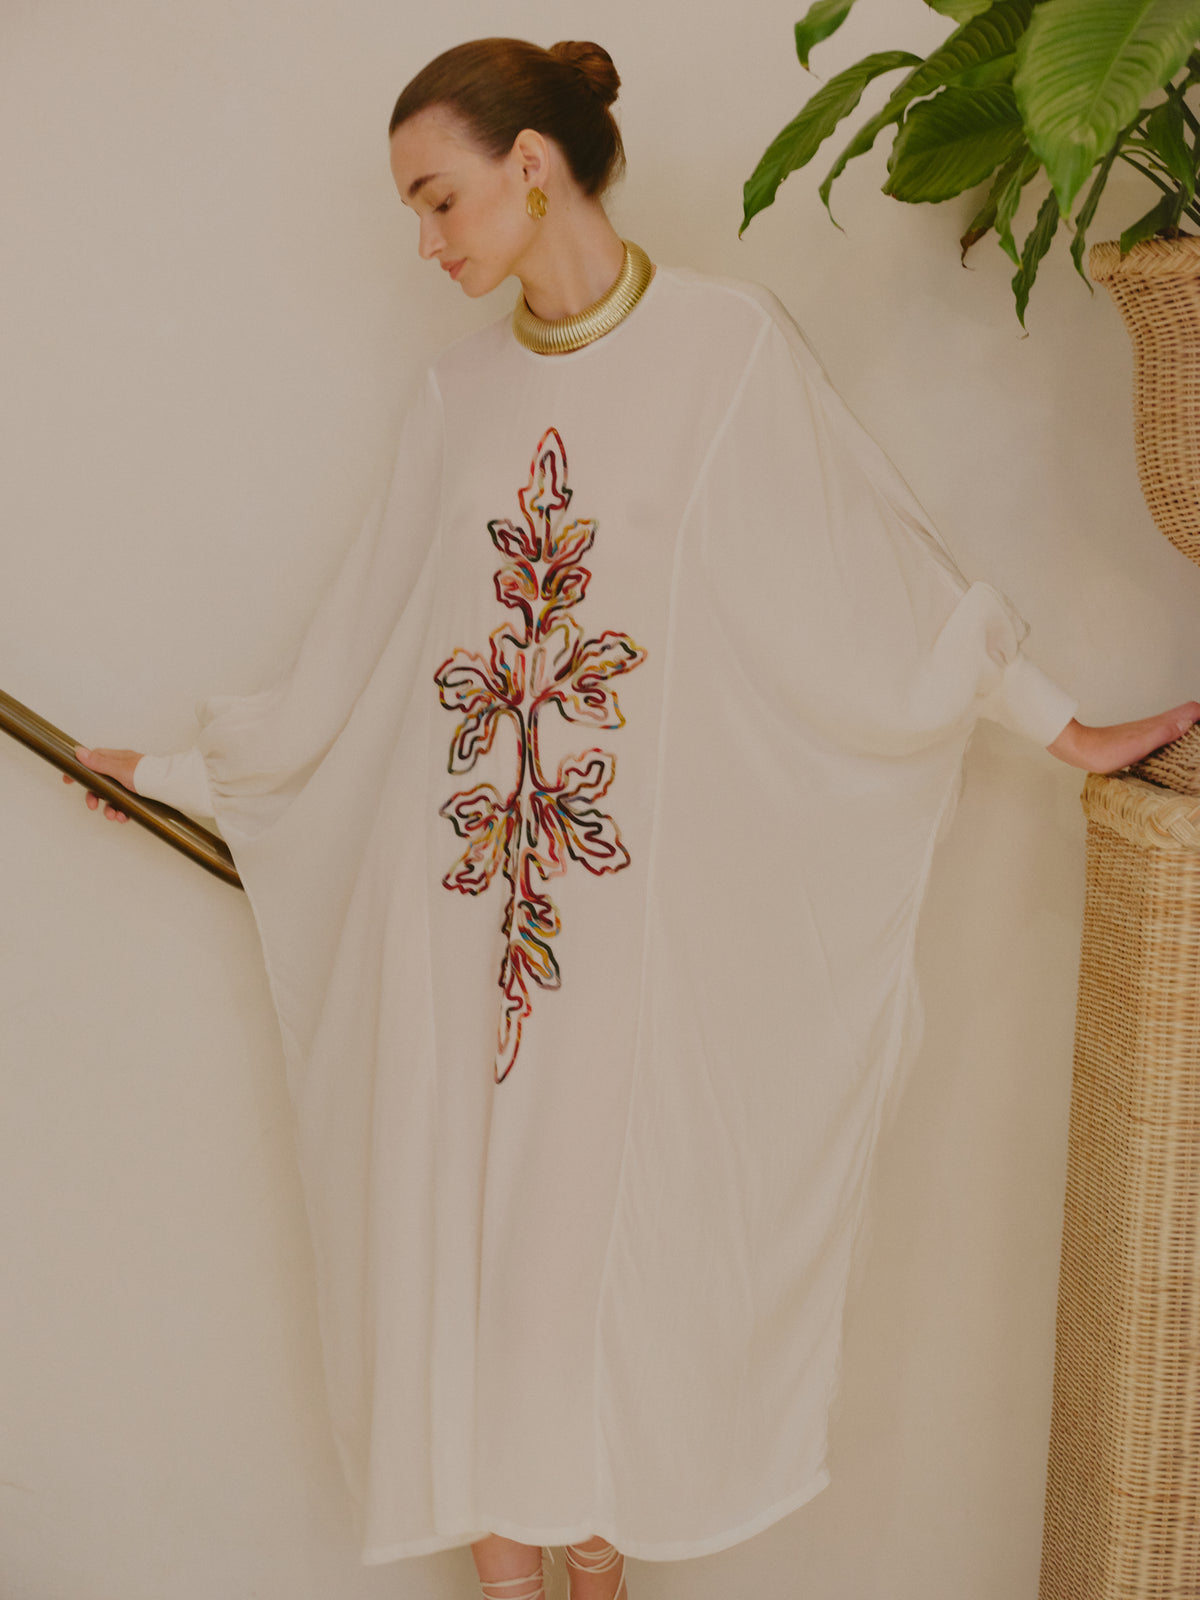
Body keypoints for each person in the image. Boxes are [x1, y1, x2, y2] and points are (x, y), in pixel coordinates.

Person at [68, 36, 1198, 1600]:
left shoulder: (726, 350)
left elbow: (873, 572)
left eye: (438, 198)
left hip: (621, 932)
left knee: (581, 1285)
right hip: (461, 924)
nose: (426, 242)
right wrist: (189, 773)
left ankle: (593, 1570)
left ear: (534, 167)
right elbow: (364, 643)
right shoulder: (457, 392)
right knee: (462, 1275)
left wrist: (1065, 728)